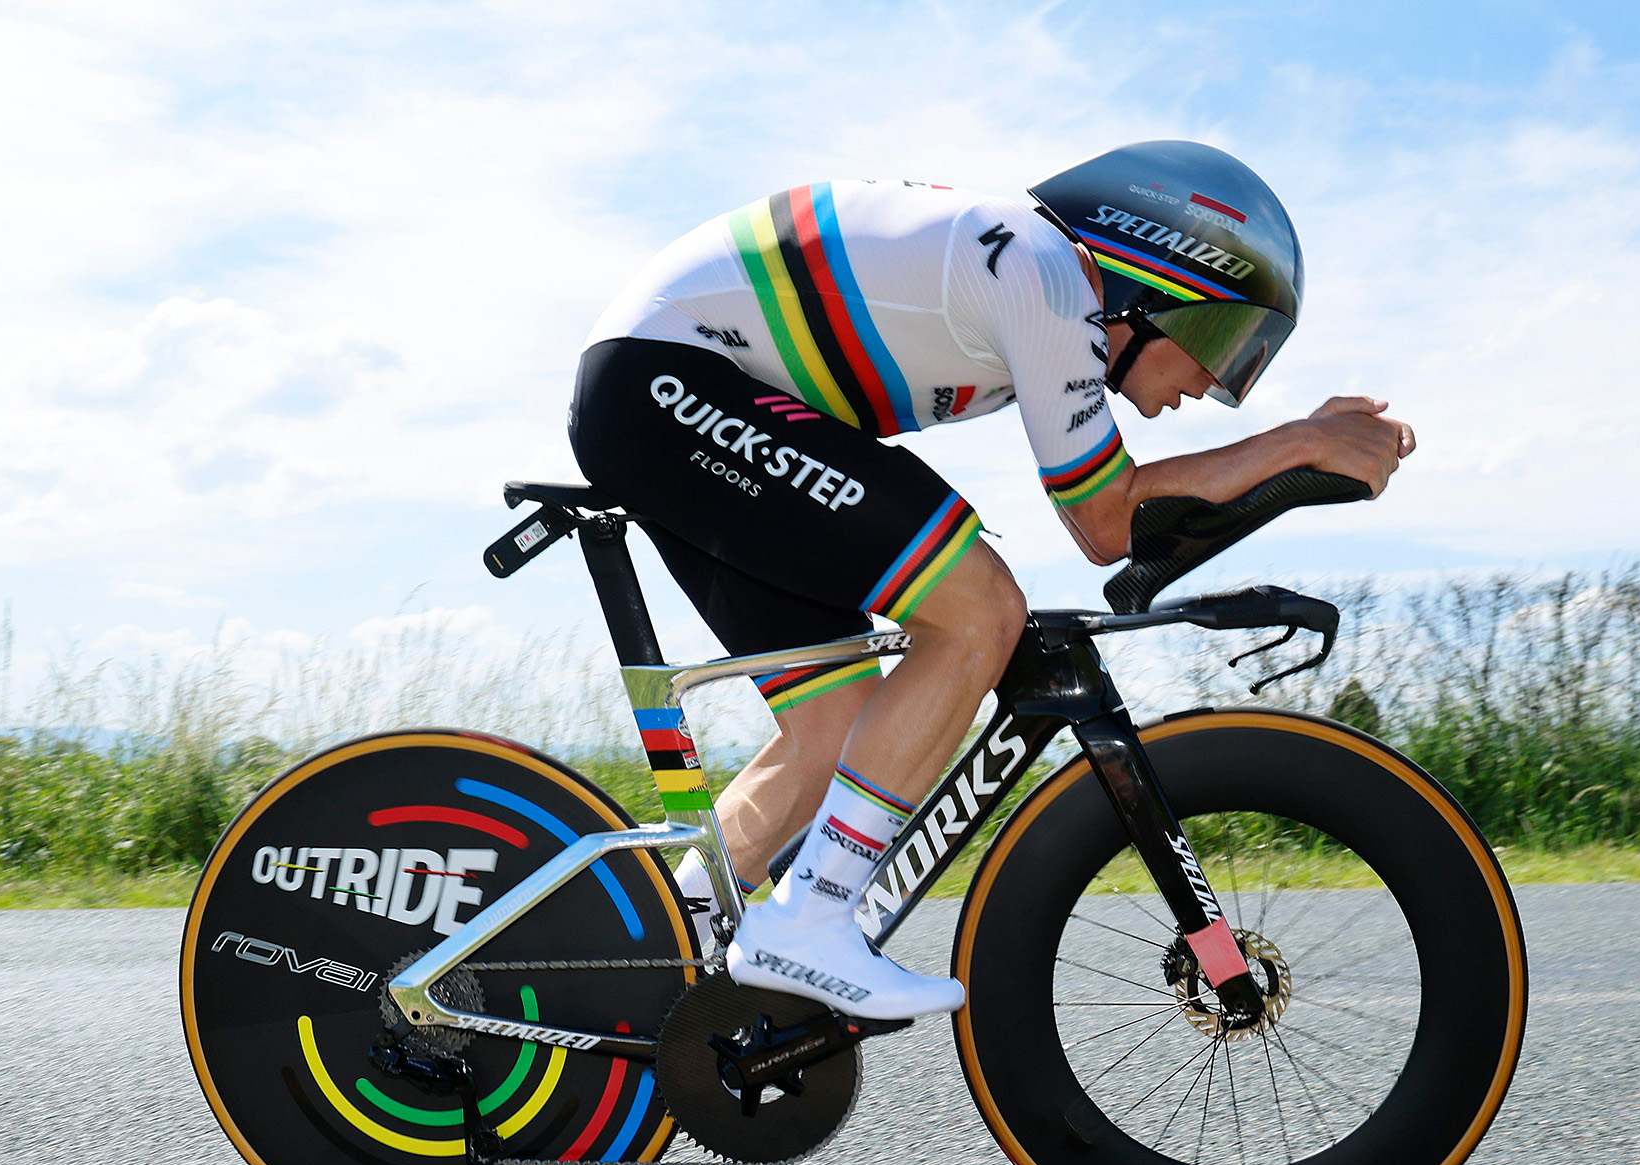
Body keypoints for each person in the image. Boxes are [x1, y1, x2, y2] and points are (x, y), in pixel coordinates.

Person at [569, 140, 1413, 1021]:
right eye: (1222, 342)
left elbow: (1129, 524)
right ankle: (811, 916)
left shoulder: (1030, 275)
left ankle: (643, 961)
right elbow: (1106, 523)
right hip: (667, 379)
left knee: (843, 732)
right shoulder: (1050, 277)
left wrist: (1294, 456)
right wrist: (1294, 444)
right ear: (1151, 284)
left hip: (666, 387)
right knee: (978, 612)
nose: (1213, 385)